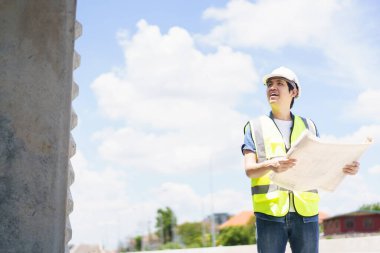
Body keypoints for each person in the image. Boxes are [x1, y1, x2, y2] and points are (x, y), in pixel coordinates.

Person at [241, 66, 360, 253]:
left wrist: (344, 167)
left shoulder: (309, 126)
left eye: (280, 83)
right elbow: (249, 170)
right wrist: (271, 165)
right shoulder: (255, 127)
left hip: (306, 213)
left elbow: (321, 165)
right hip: (270, 214)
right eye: (269, 84)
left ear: (294, 91)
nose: (272, 87)